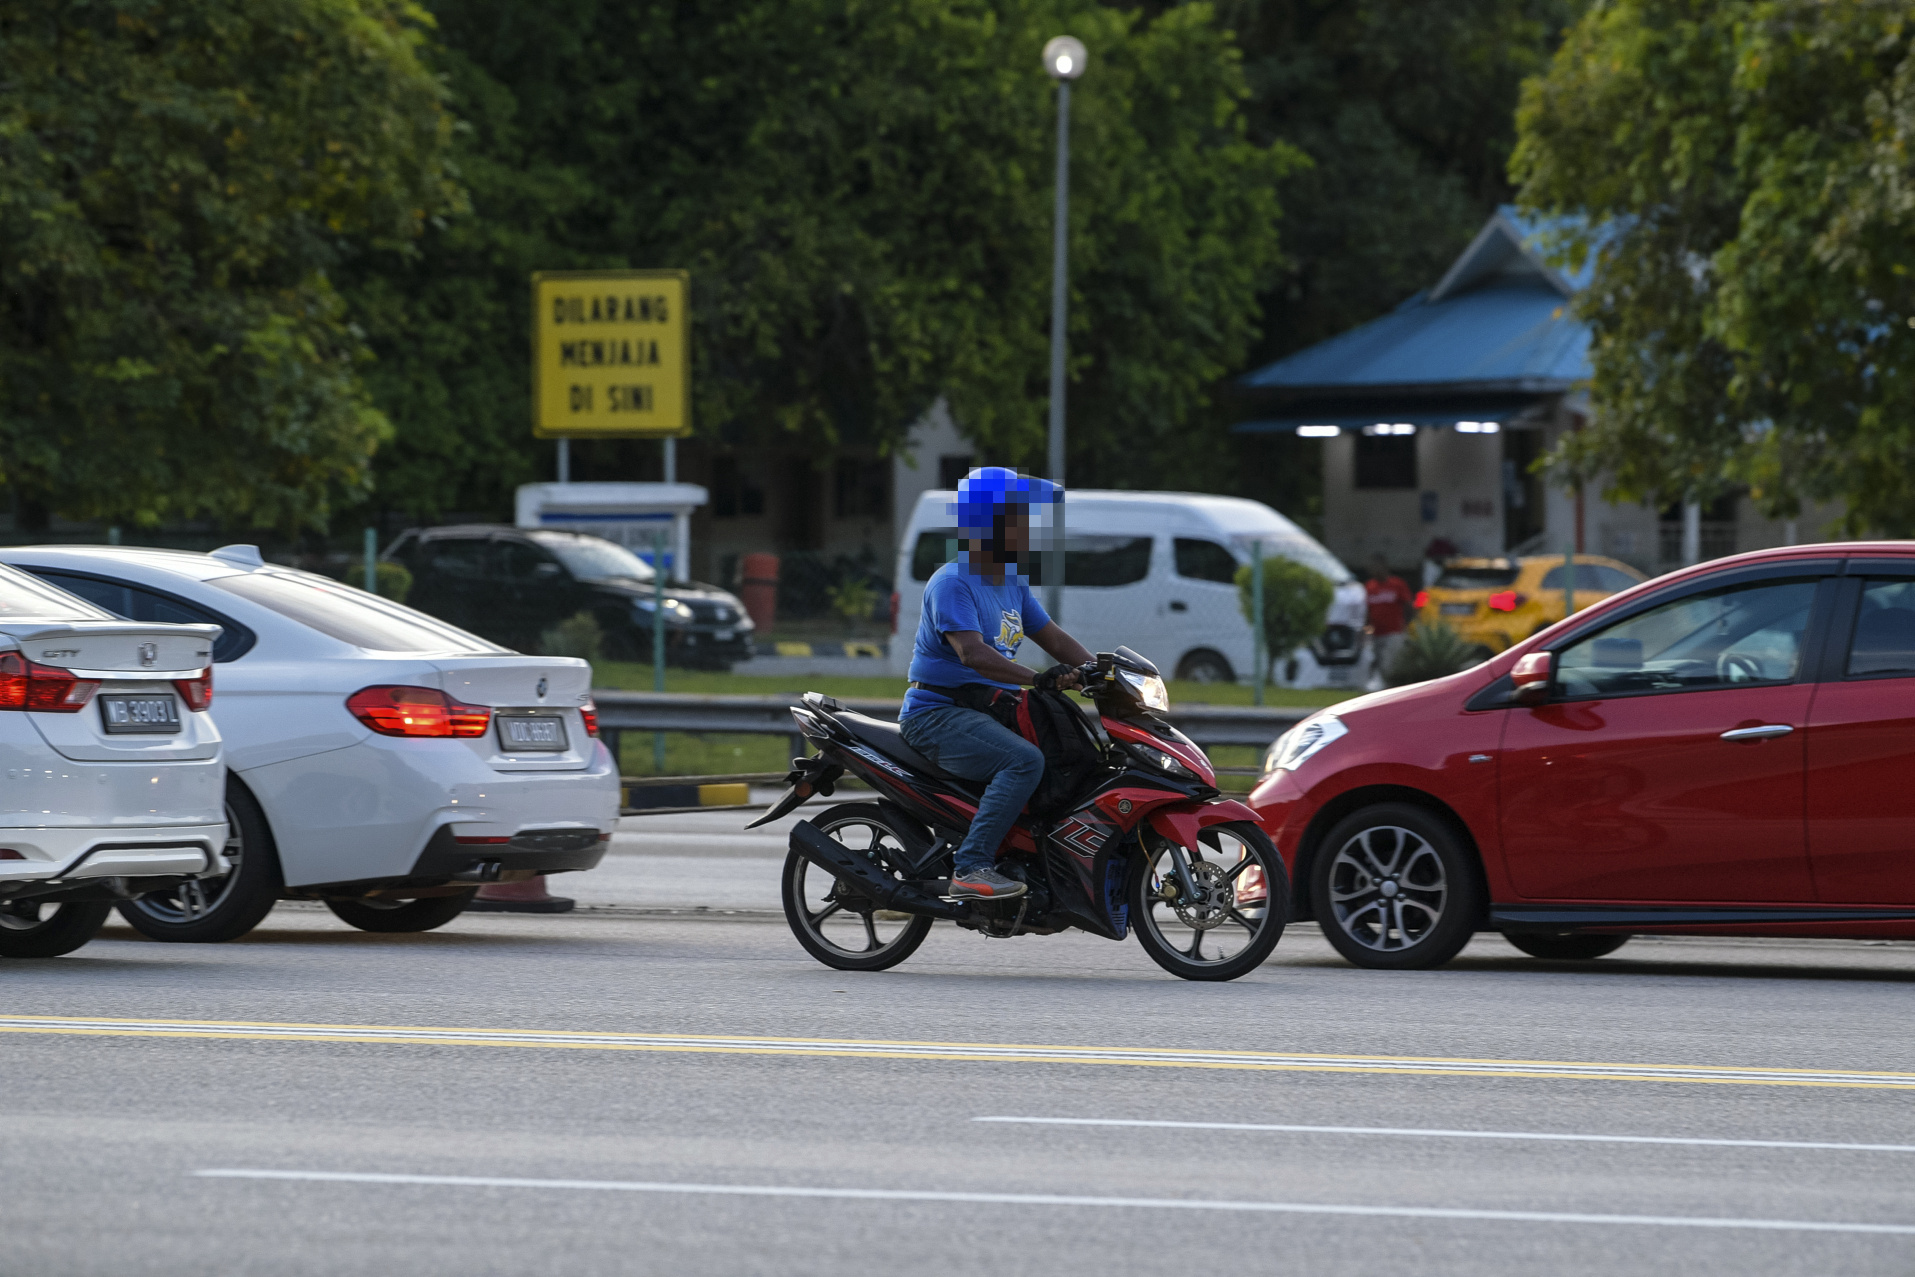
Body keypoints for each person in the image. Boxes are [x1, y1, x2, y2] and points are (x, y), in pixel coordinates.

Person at [899, 468, 1095, 900]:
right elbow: (974, 654)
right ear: (986, 525)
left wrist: (1104, 670)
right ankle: (970, 867)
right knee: (1023, 762)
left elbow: (1055, 639)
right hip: (939, 713)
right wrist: (1037, 679)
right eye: (1017, 520)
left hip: (986, 709)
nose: (1026, 530)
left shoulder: (1011, 582)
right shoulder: (952, 582)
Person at [1365, 554, 1414, 681]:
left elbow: (1409, 606)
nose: (1375, 570)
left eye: (1377, 567)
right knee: (1380, 662)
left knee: (1389, 663)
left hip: (1394, 632)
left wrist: (1406, 624)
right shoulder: (1370, 586)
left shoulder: (1397, 584)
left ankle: (1389, 689)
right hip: (1377, 633)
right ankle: (1382, 688)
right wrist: (1366, 630)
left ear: (1384, 567)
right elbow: (1367, 611)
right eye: (1372, 568)